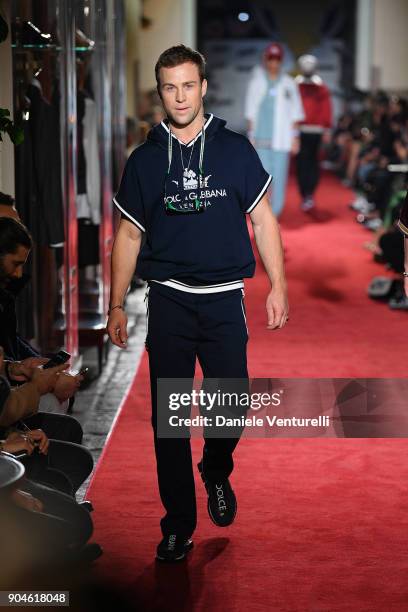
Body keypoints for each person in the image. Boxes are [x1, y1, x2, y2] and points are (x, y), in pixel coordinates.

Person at [107, 44, 289, 562]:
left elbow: (263, 220)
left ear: (204, 87)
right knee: (169, 424)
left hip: (224, 301)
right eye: (170, 87)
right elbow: (127, 235)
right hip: (168, 303)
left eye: (189, 85)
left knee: (230, 411)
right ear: (160, 92)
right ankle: (178, 526)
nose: (180, 96)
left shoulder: (235, 150)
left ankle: (214, 467)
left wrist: (278, 284)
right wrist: (117, 303)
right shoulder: (143, 161)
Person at [244, 42, 304, 218]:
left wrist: (295, 138)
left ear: (281, 60)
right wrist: (250, 137)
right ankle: (262, 214)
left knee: (279, 180)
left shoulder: (288, 83)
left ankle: (274, 214)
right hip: (260, 140)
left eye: (277, 59)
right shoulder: (256, 82)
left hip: (281, 141)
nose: (274, 63)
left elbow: (295, 112)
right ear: (265, 59)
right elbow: (250, 111)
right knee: (261, 180)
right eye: (271, 58)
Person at [295, 54, 332, 211]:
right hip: (300, 130)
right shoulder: (295, 85)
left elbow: (326, 108)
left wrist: (327, 128)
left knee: (313, 163)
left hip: (316, 131)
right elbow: (291, 108)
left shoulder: (321, 86)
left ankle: (309, 193)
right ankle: (305, 194)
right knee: (302, 163)